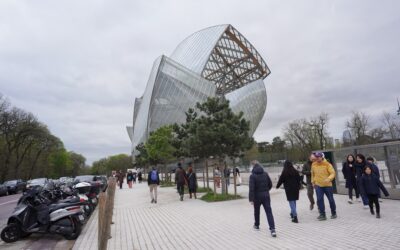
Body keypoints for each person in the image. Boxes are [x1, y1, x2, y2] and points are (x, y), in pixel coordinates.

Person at [249, 160, 276, 237]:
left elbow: (251, 189)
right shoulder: (265, 174)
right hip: (266, 196)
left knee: (256, 211)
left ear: (253, 167)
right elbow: (270, 184)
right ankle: (272, 229)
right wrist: (266, 191)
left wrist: (251, 199)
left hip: (257, 197)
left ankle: (257, 225)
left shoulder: (252, 176)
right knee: (269, 212)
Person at [311, 152, 337, 221]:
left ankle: (333, 213)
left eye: (318, 157)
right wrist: (313, 182)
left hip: (327, 185)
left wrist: (328, 179)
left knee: (331, 199)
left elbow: (333, 173)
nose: (317, 158)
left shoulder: (327, 164)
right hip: (318, 186)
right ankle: (322, 214)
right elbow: (312, 174)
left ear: (322, 157)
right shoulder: (313, 164)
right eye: (316, 157)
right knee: (319, 200)